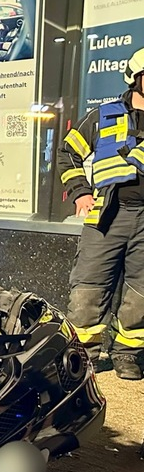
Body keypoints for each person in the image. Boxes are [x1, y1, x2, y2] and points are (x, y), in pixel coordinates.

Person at [58, 47, 144, 380]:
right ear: (135, 78)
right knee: (88, 289)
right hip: (106, 215)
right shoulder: (104, 115)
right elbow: (68, 153)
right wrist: (80, 193)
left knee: (141, 292)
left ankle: (128, 354)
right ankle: (84, 355)